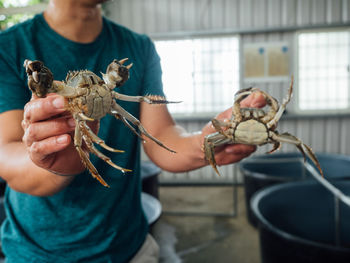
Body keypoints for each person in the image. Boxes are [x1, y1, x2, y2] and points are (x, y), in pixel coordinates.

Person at [0, 0, 265, 262]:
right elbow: (7, 155)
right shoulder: (9, 47)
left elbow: (160, 134)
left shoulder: (138, 47)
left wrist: (203, 143)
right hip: (37, 252)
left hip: (130, 246)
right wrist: (52, 158)